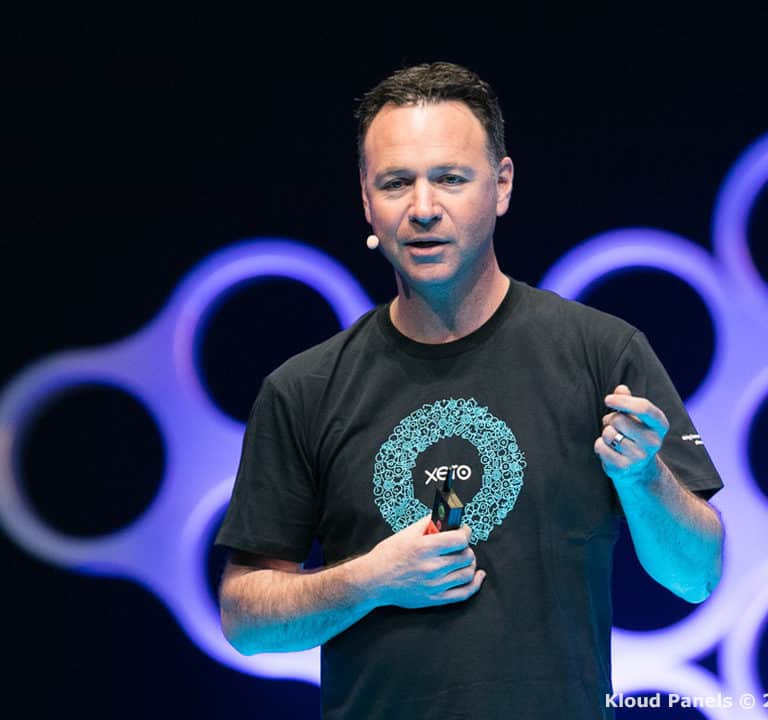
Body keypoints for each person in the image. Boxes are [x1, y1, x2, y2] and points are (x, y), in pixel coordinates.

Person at [215, 61, 724, 719]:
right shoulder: (304, 389)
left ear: (502, 185)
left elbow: (697, 575)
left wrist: (644, 477)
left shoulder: (602, 353)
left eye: (450, 179)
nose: (424, 208)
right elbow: (245, 622)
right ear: (367, 200)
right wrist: (371, 579)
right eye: (396, 182)